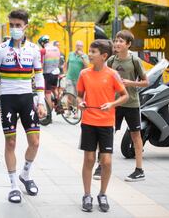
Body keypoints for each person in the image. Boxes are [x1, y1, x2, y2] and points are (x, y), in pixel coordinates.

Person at [0, 9, 46, 203]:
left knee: (35, 142)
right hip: (8, 100)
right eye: (11, 25)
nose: (14, 29)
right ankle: (13, 186)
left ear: (25, 26)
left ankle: (25, 175)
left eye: (18, 25)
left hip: (27, 99)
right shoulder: (0, 49)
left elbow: (38, 75)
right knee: (10, 143)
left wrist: (41, 101)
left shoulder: (34, 50)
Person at [76, 39, 128, 212]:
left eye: (93, 52)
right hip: (88, 122)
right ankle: (87, 194)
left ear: (104, 56)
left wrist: (112, 104)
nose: (89, 54)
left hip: (106, 123)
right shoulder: (84, 73)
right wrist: (80, 103)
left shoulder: (112, 74)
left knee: (106, 161)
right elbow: (78, 95)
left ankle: (103, 194)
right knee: (89, 159)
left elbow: (124, 96)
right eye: (89, 51)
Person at [93, 30, 149, 182]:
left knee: (135, 135)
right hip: (114, 104)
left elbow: (146, 82)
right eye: (116, 40)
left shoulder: (134, 61)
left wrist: (131, 83)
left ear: (128, 44)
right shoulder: (111, 60)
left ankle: (139, 170)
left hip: (132, 104)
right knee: (107, 133)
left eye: (121, 41)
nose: (117, 43)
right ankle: (101, 165)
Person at [64, 40, 89, 118]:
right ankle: (68, 111)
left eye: (80, 46)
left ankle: (76, 113)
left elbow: (87, 66)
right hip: (69, 78)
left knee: (77, 97)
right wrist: (65, 73)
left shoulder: (84, 56)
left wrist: (81, 56)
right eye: (77, 45)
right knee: (69, 95)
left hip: (79, 79)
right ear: (75, 46)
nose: (79, 47)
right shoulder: (70, 54)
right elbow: (66, 64)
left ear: (82, 47)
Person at [38, 35, 60, 110]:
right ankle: (59, 106)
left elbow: (41, 65)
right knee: (54, 89)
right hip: (56, 73)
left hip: (47, 74)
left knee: (47, 94)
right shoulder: (56, 48)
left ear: (42, 43)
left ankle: (49, 114)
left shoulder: (43, 50)